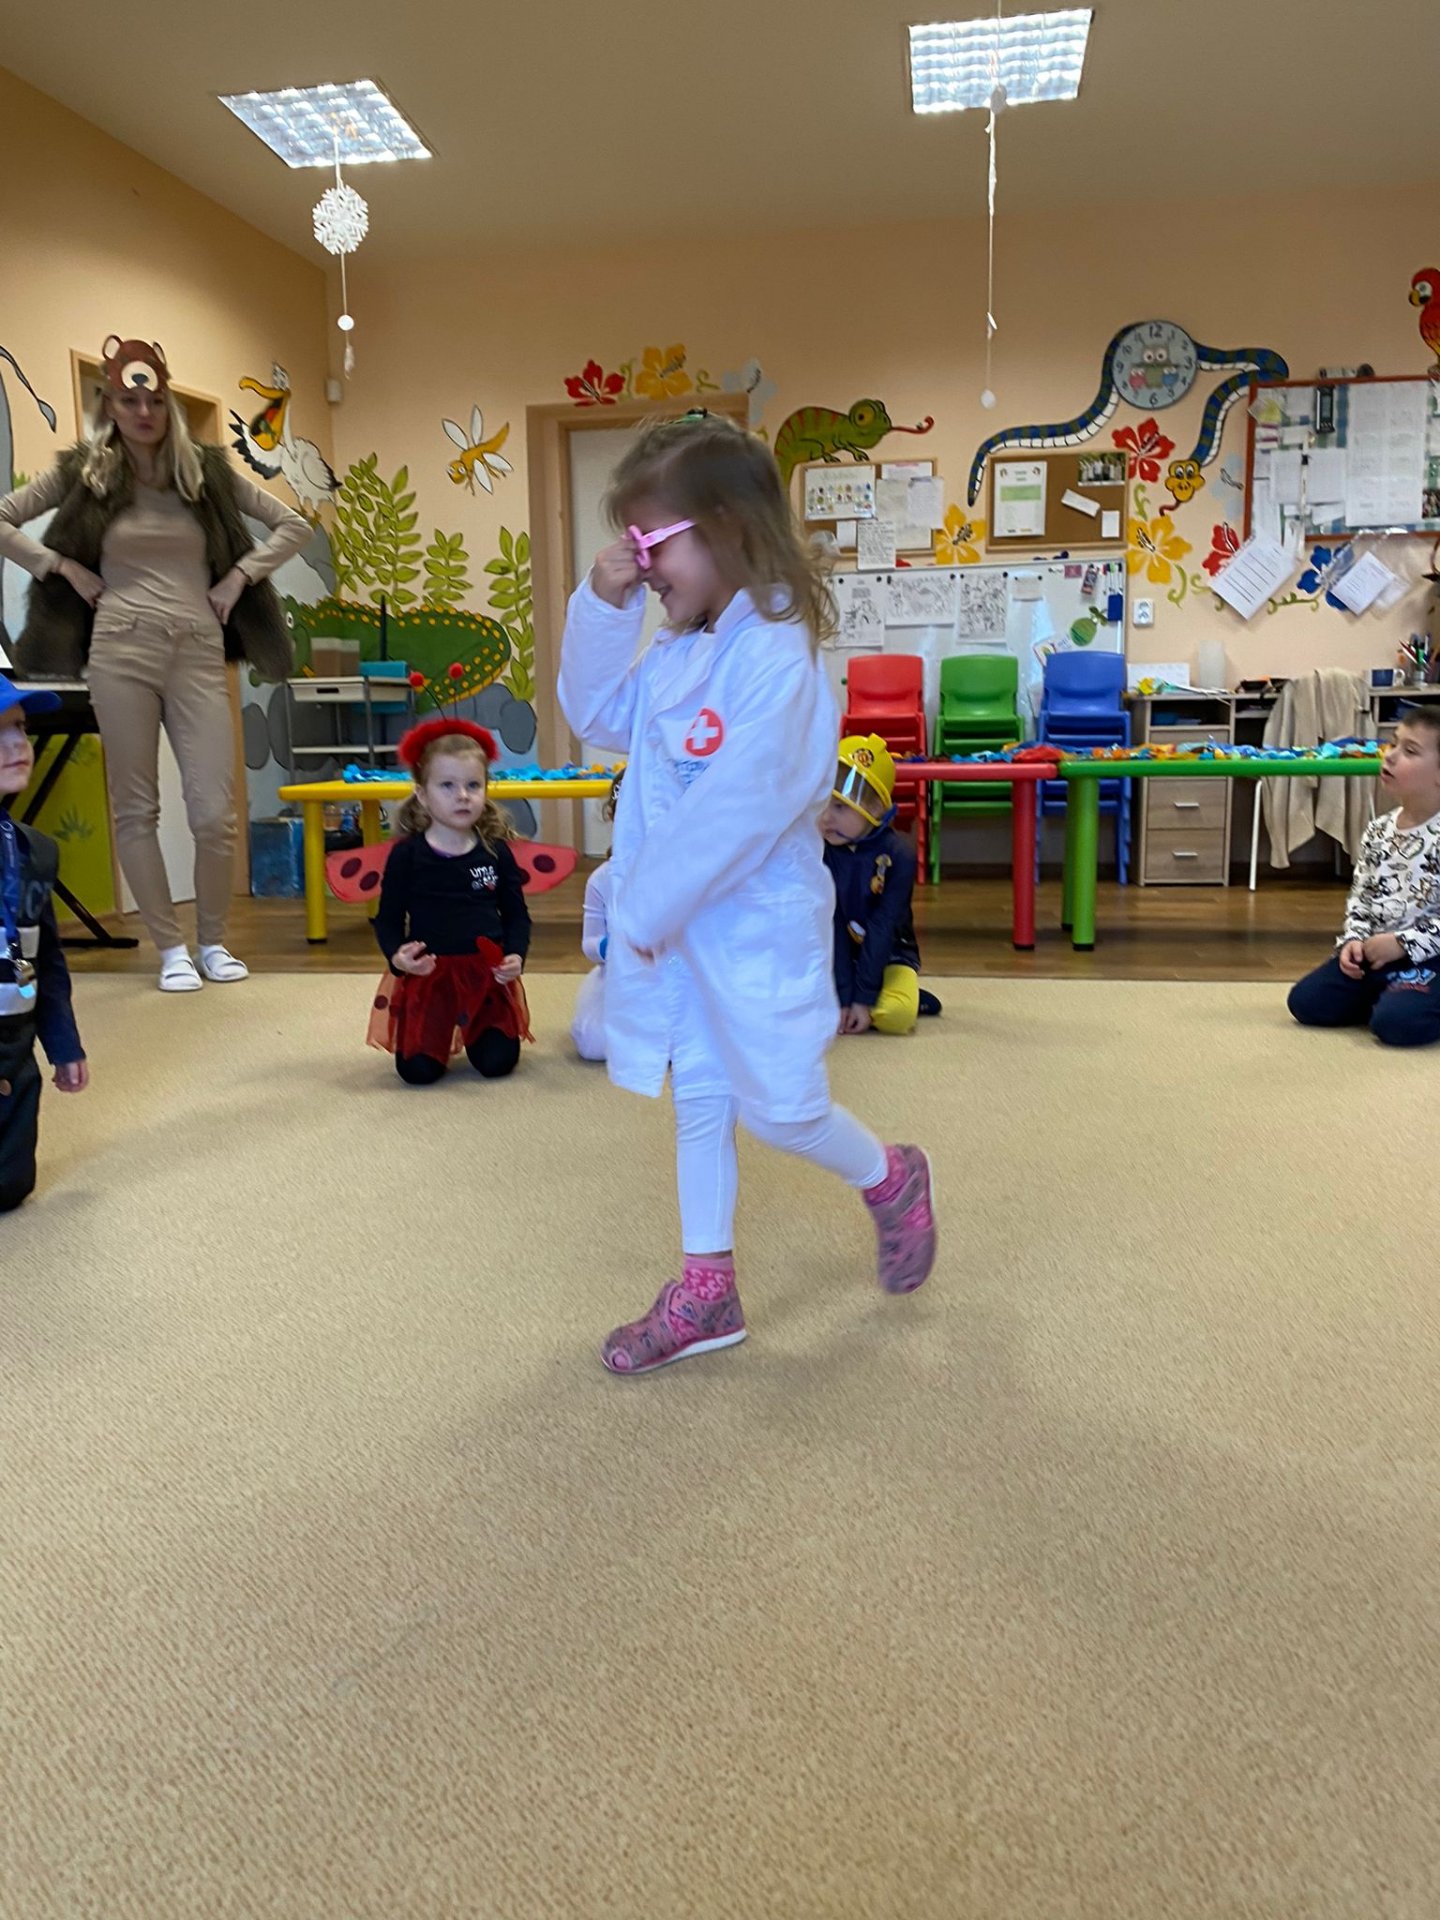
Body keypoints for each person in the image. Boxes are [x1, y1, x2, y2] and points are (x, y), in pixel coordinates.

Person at [558, 410, 937, 1376]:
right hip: (686, 931)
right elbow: (596, 714)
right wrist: (601, 607)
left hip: (753, 930)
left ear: (726, 527)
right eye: (633, 543)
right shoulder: (677, 650)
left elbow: (741, 807)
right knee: (698, 1095)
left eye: (653, 541)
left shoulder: (777, 659)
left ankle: (888, 1176)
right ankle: (708, 1289)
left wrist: (643, 908)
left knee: (780, 1108)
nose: (642, 563)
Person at [0, 335, 310, 992]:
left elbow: (294, 525)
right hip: (120, 651)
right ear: (110, 405)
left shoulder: (206, 473)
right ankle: (171, 949)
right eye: (128, 400)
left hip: (197, 651)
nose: (144, 412)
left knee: (213, 812)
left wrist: (239, 578)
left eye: (155, 400)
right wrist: (59, 565)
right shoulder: (85, 473)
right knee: (136, 809)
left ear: (169, 404)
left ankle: (213, 942)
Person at [368, 719, 532, 1084]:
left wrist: (516, 955)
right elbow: (388, 919)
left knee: (497, 1063)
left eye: (473, 785)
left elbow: (517, 916)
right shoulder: (407, 856)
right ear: (422, 795)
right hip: (430, 979)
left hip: (485, 980)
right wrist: (397, 957)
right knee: (417, 1072)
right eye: (447, 785)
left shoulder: (496, 852)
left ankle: (480, 1035)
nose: (463, 795)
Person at [1287, 708, 1440, 1046]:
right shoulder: (1379, 830)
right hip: (1378, 955)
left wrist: (1403, 943)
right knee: (1306, 1002)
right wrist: (1353, 941)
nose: (1391, 756)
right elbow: (1361, 898)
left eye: (1410, 751)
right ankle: (1394, 993)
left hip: (1431, 958)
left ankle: (1403, 998)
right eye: (1393, 744)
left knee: (1398, 1024)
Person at [0, 673, 88, 1210]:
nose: (18, 744)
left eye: (21, 728)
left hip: (15, 1039)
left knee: (12, 1188)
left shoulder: (34, 852)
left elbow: (47, 958)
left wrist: (63, 1044)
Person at [820, 733, 942, 1036]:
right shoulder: (822, 852)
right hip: (837, 956)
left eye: (840, 807)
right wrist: (844, 997)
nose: (826, 818)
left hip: (889, 955)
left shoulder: (899, 855)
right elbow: (833, 924)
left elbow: (882, 926)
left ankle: (898, 995)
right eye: (824, 804)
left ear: (875, 808)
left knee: (896, 1016)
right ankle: (871, 996)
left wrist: (862, 999)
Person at [572, 771, 624, 1062]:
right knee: (593, 1044)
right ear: (612, 817)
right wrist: (610, 946)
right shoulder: (601, 880)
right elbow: (590, 943)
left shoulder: (681, 872)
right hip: (620, 978)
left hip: (674, 976)